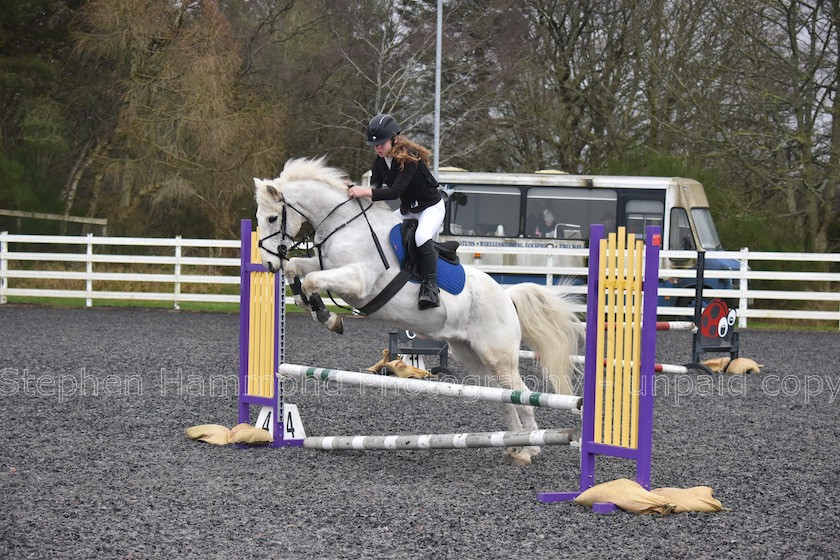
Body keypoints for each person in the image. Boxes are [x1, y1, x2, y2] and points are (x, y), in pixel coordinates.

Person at [348, 114, 444, 310]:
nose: (378, 148)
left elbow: (394, 192)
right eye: (375, 145)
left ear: (394, 138)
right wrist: (351, 189)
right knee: (383, 230)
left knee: (421, 236)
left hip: (430, 207)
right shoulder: (380, 162)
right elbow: (373, 187)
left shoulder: (409, 158)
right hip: (409, 209)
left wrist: (364, 191)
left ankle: (431, 288)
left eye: (382, 143)